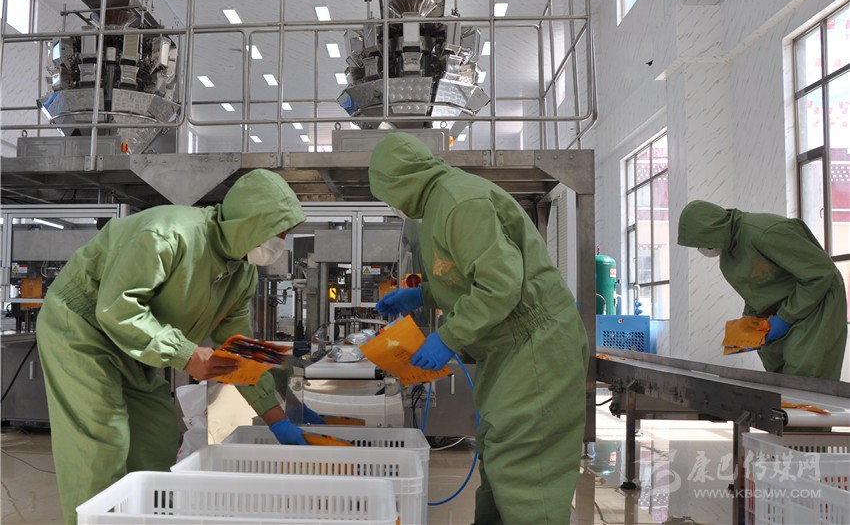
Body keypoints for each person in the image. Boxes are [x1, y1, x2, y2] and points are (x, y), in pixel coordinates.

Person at [36, 169, 311, 523]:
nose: (280, 244)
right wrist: (185, 354)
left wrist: (278, 420)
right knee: (103, 439)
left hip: (135, 347)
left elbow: (240, 353)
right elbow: (117, 307)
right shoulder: (169, 234)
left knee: (156, 436)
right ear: (249, 222)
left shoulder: (241, 275)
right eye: (279, 233)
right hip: (82, 329)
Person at [369, 132, 588, 524]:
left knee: (524, 466)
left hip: (535, 345)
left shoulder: (459, 203)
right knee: (498, 455)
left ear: (400, 180)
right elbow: (466, 277)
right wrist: (423, 295)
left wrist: (448, 337)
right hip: (507, 350)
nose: (390, 203)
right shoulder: (440, 204)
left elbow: (500, 285)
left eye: (386, 193)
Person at [677, 199, 847, 380]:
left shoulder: (764, 231)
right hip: (782, 308)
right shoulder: (728, 257)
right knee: (775, 369)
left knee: (803, 372)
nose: (701, 249)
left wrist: (785, 317)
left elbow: (820, 273)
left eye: (701, 242)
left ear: (712, 230)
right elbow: (754, 292)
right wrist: (750, 325)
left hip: (817, 300)